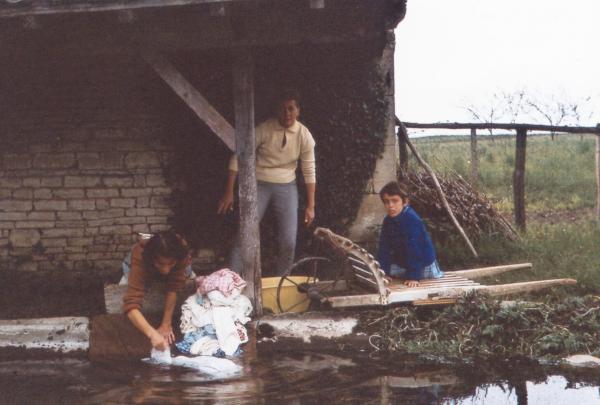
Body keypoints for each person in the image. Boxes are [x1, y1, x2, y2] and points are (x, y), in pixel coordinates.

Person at [217, 89, 316, 276]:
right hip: (259, 183)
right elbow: (240, 154)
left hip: (287, 185)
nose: (287, 113)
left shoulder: (304, 135)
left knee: (288, 240)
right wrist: (229, 191)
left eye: (291, 109)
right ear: (277, 111)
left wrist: (311, 205)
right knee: (245, 233)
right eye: (283, 109)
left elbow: (309, 170)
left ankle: (282, 282)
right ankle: (229, 281)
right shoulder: (264, 129)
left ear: (298, 111)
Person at [122, 231, 192, 351]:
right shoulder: (141, 255)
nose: (166, 269)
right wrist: (152, 334)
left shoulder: (180, 252)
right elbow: (131, 303)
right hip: (142, 266)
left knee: (186, 278)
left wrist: (166, 324)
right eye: (161, 263)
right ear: (152, 258)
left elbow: (173, 288)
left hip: (178, 264)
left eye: (170, 263)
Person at [376, 181, 444, 287]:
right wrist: (384, 272)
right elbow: (384, 248)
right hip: (405, 263)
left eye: (395, 201)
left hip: (424, 265)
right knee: (379, 272)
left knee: (405, 269)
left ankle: (414, 274)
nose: (390, 206)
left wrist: (413, 277)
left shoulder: (411, 219)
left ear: (405, 202)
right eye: (386, 202)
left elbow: (414, 250)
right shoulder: (388, 220)